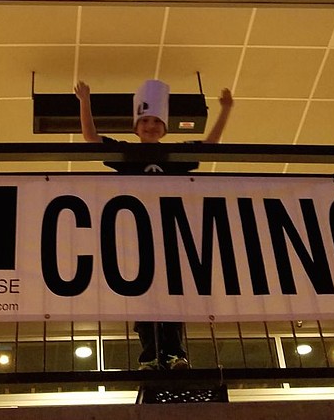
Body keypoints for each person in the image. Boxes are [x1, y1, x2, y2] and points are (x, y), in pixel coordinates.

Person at [74, 78, 234, 371]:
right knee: (143, 293)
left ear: (165, 127)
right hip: (135, 232)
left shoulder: (174, 155)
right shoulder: (126, 153)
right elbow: (91, 139)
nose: (150, 126)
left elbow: (209, 147)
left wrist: (224, 110)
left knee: (172, 292)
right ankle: (149, 357)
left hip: (170, 231)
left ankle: (175, 354)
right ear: (135, 127)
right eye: (145, 120)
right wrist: (85, 102)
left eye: (156, 121)